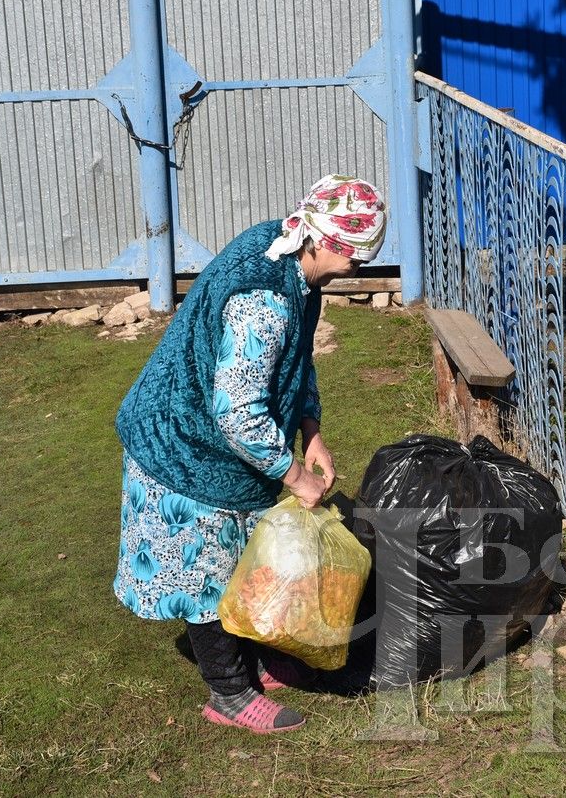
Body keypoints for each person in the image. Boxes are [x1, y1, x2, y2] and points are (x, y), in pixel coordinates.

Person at [112, 175, 386, 734]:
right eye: (356, 252)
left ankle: (255, 653)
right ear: (325, 240)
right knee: (204, 572)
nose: (362, 263)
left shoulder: (293, 262)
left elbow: (295, 361)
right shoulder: (262, 300)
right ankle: (229, 692)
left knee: (242, 557)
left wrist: (311, 432)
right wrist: (293, 475)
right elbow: (236, 410)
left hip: (215, 439)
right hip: (182, 441)